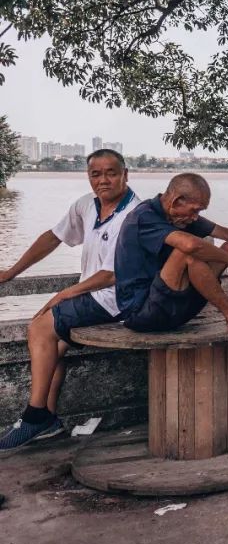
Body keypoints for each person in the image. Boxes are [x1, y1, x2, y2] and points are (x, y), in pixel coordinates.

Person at [0, 150, 140, 452]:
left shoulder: (134, 215)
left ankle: (33, 416)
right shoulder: (86, 206)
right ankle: (48, 420)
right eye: (95, 174)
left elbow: (112, 275)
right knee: (53, 349)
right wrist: (12, 271)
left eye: (111, 173)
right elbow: (53, 237)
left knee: (40, 328)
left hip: (118, 300)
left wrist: (63, 294)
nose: (103, 180)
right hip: (94, 295)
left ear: (125, 174)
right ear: (88, 177)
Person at [114, 173, 228, 337]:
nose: (195, 217)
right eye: (195, 210)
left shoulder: (182, 216)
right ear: (176, 201)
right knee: (187, 253)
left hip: (180, 307)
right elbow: (191, 246)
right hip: (144, 314)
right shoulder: (143, 216)